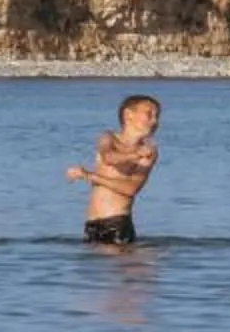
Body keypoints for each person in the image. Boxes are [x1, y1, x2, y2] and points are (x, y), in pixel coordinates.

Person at [67, 94, 161, 245]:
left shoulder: (149, 151)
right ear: (128, 115)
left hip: (117, 223)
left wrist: (88, 176)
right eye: (149, 115)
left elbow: (130, 189)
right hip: (92, 224)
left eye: (157, 116)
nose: (155, 121)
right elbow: (109, 157)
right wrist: (134, 155)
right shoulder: (108, 138)